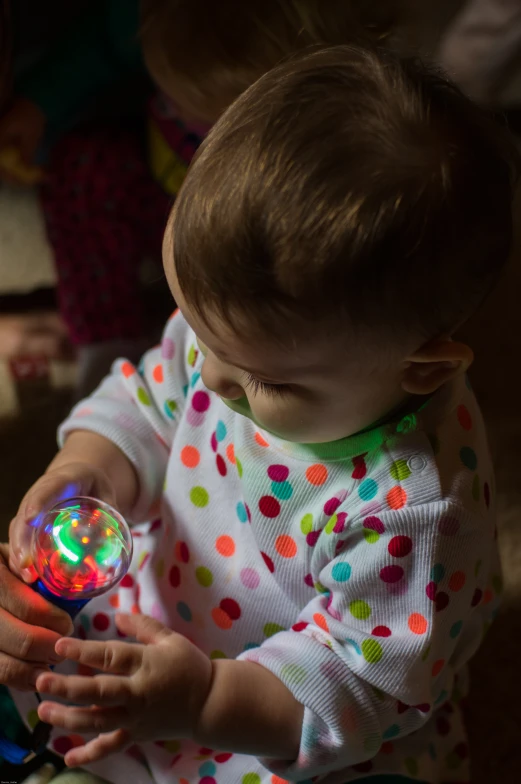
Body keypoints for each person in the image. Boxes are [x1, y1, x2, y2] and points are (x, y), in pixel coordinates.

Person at [2, 43, 517, 784]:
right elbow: (145, 398)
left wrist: (205, 699)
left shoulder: (416, 511)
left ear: (421, 368)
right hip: (163, 614)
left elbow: (354, 688)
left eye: (261, 381)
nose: (209, 376)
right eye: (194, 329)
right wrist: (86, 466)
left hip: (270, 717)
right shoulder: (242, 344)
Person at [0, 0, 394, 389]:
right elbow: (98, 47)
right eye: (169, 97)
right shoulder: (153, 16)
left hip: (253, 218)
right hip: (161, 189)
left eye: (203, 115)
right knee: (83, 166)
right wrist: (38, 105)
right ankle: (108, 342)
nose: (179, 114)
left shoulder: (332, 109)